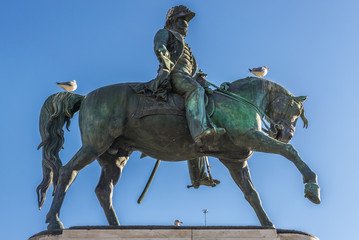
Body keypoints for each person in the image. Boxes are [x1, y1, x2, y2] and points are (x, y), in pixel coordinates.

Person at [152, 5, 224, 188]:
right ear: (171, 22)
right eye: (182, 21)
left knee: (206, 102)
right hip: (175, 77)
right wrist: (164, 57)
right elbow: (160, 47)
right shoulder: (165, 33)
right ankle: (200, 131)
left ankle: (198, 175)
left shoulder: (187, 47)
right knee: (195, 91)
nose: (186, 25)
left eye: (187, 22)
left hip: (186, 77)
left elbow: (190, 69)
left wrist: (199, 77)